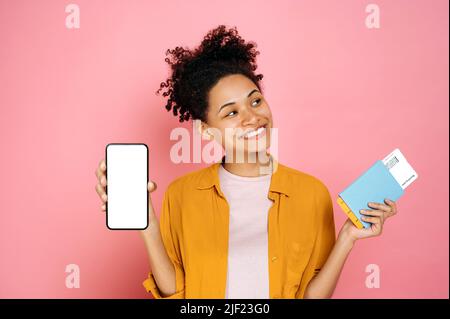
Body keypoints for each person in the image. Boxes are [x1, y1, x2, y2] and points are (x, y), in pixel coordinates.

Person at [94, 25, 398, 299]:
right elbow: (176, 291)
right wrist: (145, 222)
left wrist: (347, 237)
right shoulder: (181, 194)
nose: (253, 117)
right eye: (231, 113)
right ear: (206, 130)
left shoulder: (312, 193)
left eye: (255, 101)